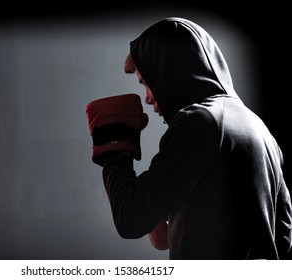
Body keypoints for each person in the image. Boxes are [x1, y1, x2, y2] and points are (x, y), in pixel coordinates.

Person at [86, 17, 292, 259]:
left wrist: (114, 148)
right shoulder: (259, 128)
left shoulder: (199, 121)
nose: (148, 98)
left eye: (146, 83)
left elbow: (131, 220)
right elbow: (284, 236)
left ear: (168, 72)